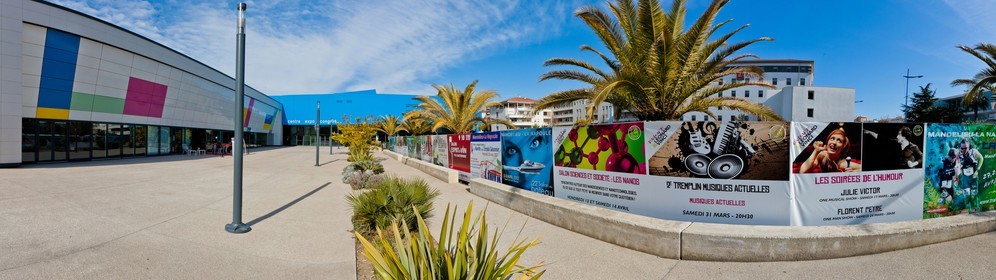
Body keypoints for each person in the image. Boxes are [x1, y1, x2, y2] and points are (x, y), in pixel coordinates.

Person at [957, 139, 983, 212]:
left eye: (965, 148)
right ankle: (969, 209)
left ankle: (976, 208)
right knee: (967, 195)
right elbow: (957, 167)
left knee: (974, 194)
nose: (964, 150)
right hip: (965, 178)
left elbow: (981, 158)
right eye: (962, 148)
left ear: (969, 147)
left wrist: (977, 170)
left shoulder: (973, 152)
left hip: (974, 177)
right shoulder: (959, 155)